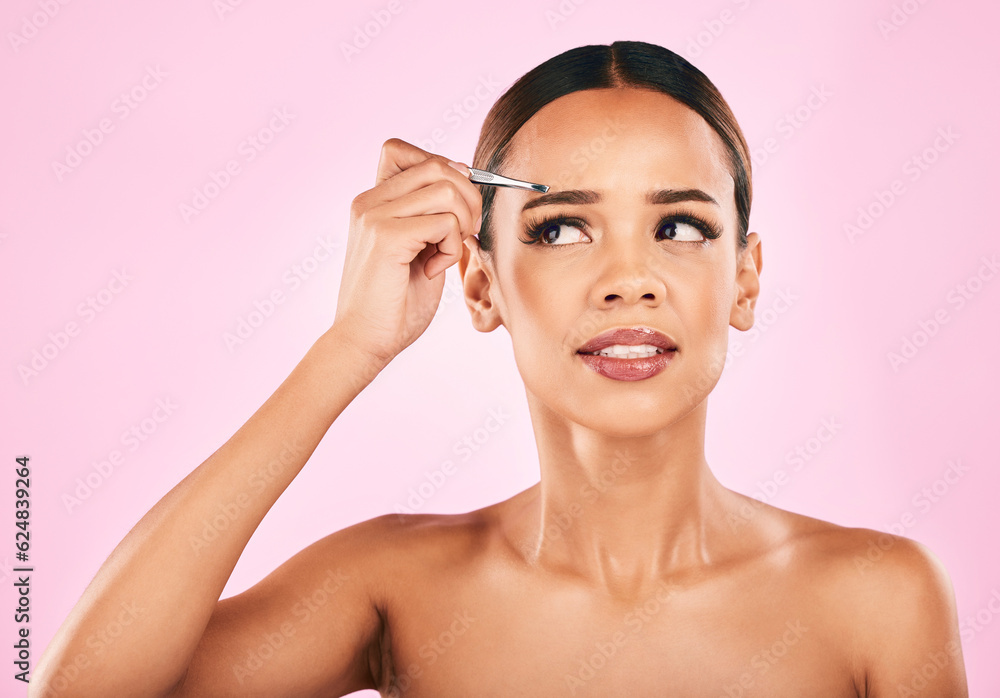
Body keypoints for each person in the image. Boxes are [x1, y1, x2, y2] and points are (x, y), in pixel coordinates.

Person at [30, 40, 968, 697]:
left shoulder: (882, 599)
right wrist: (349, 347)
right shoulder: (397, 584)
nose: (629, 280)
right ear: (481, 286)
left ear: (745, 281)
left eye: (679, 226)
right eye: (562, 228)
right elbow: (83, 690)